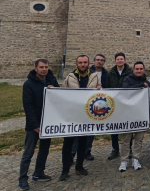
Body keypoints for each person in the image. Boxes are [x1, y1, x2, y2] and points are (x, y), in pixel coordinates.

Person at [18, 59, 59, 190]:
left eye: (46, 67)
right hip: (33, 125)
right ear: (35, 68)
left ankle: (38, 173)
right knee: (28, 153)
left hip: (48, 123)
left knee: (44, 150)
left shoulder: (51, 80)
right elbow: (28, 107)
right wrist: (35, 125)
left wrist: (54, 91)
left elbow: (60, 96)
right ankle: (23, 178)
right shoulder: (28, 84)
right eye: (41, 67)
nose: (44, 69)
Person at [60, 55, 101, 181]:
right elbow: (61, 93)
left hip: (86, 115)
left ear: (88, 64)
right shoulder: (70, 77)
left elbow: (99, 91)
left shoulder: (94, 76)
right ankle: (65, 169)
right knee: (68, 143)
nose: (82, 64)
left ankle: (79, 166)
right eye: (80, 62)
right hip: (72, 115)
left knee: (83, 142)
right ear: (76, 64)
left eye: (85, 62)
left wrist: (100, 89)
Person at [71, 53, 108, 161]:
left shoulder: (103, 74)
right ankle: (72, 154)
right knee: (76, 132)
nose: (99, 62)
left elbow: (100, 86)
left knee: (90, 131)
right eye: (97, 60)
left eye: (101, 60)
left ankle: (87, 151)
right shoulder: (72, 76)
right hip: (77, 108)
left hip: (92, 107)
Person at [119, 62, 150, 172]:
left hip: (141, 115)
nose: (138, 70)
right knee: (126, 140)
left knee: (139, 139)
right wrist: (141, 86)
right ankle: (124, 160)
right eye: (137, 69)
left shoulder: (146, 82)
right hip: (129, 115)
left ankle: (136, 159)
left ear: (144, 70)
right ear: (133, 70)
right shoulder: (127, 79)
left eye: (141, 69)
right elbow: (126, 90)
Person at [105, 52, 133, 160]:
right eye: (118, 59)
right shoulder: (111, 73)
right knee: (114, 128)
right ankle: (115, 149)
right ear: (115, 61)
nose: (120, 61)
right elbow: (107, 87)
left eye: (121, 59)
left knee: (127, 127)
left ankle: (128, 148)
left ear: (125, 60)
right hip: (114, 104)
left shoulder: (130, 72)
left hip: (126, 104)